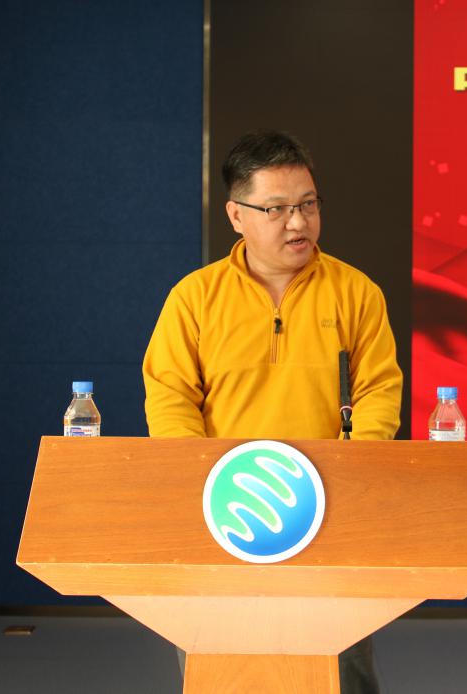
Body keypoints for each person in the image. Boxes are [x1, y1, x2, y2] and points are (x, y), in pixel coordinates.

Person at [142, 130, 402, 694]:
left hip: (328, 511)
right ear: (236, 214)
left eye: (308, 204)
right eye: (277, 209)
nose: (298, 223)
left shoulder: (357, 293)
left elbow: (380, 390)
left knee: (343, 670)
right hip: (226, 513)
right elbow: (169, 396)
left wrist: (352, 467)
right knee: (220, 663)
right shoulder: (194, 297)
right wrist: (203, 476)